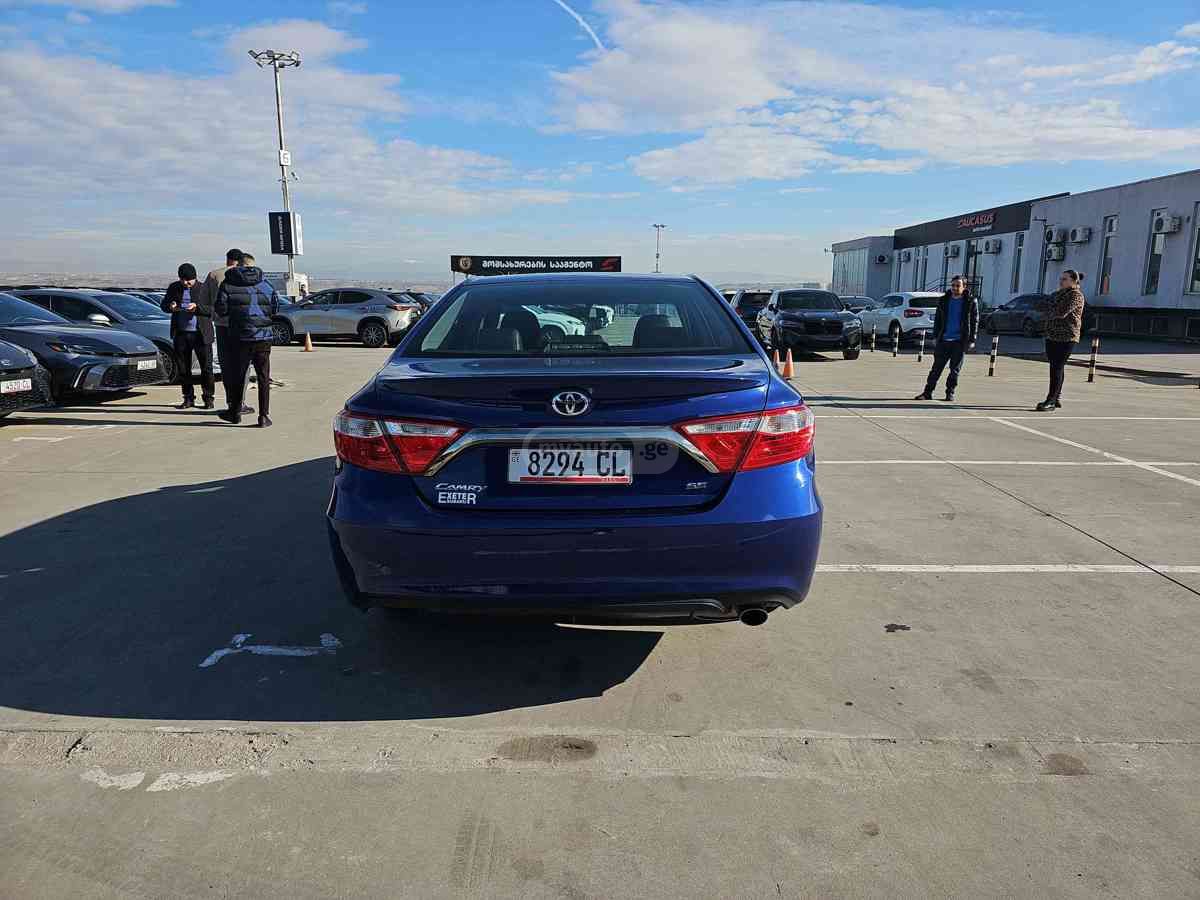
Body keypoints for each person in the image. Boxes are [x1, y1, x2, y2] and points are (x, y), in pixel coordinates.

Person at [215, 262, 279, 427]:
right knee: (263, 376)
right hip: (263, 336)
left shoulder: (228, 284)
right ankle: (263, 416)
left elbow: (221, 310)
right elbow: (275, 308)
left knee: (238, 375)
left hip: (240, 336)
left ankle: (235, 412)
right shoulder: (265, 284)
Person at [915, 275, 978, 402]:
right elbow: (938, 319)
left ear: (964, 287)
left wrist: (972, 340)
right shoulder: (944, 300)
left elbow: (974, 321)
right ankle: (927, 393)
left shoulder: (970, 301)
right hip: (943, 340)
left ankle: (950, 393)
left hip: (959, 341)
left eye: (958, 285)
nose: (955, 288)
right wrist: (935, 336)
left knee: (954, 370)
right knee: (936, 369)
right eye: (953, 285)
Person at [205, 248, 253, 415]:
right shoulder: (248, 275)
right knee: (243, 365)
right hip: (243, 326)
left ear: (227, 259)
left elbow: (204, 301)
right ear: (241, 260)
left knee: (226, 366)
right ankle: (241, 402)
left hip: (222, 326)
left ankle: (231, 402)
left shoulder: (214, 275)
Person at [161, 263, 214, 409]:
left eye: (188, 280)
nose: (185, 283)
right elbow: (164, 305)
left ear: (194, 278)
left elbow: (213, 309)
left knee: (206, 368)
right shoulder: (174, 287)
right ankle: (188, 398)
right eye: (182, 280)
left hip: (201, 334)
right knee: (183, 369)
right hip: (181, 334)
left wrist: (197, 308)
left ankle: (208, 398)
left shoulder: (204, 288)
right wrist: (170, 307)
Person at [1037, 270, 1086, 412]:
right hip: (1052, 334)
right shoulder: (1058, 294)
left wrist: (1049, 310)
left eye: (1065, 279)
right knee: (1056, 366)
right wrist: (1049, 309)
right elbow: (1042, 306)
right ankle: (1056, 397)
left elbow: (1061, 312)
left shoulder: (1076, 295)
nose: (1061, 281)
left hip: (1066, 336)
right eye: (1061, 278)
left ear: (1074, 281)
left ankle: (1051, 400)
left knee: (1057, 367)